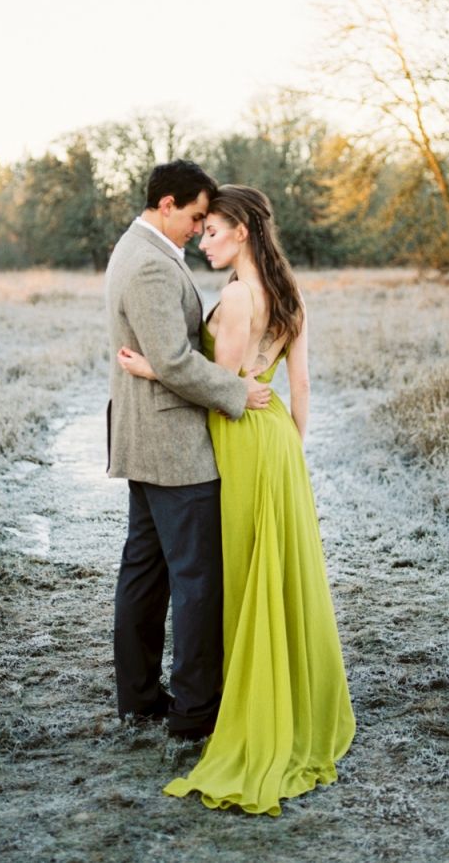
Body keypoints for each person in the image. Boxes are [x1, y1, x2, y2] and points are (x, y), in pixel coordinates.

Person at [117, 184, 356, 816]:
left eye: (214, 230)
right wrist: (291, 455)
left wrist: (152, 370)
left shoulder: (244, 296)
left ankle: (231, 700)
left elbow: (220, 384)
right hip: (276, 437)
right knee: (269, 567)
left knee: (241, 569)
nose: (204, 238)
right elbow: (297, 384)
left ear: (243, 232)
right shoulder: (290, 293)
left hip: (240, 437)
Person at [105, 161, 272, 741]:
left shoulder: (137, 250)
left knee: (145, 573)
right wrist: (236, 391)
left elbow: (162, 360)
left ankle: (142, 699)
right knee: (196, 577)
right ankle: (196, 710)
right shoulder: (149, 264)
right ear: (168, 203)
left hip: (147, 437)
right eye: (197, 216)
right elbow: (173, 362)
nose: (199, 229)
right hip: (172, 443)